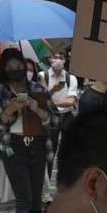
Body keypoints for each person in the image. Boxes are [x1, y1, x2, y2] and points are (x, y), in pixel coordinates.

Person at [0, 48, 55, 213]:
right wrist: (10, 110)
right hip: (14, 147)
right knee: (24, 199)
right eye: (10, 68)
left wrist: (37, 109)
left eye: (19, 66)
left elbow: (56, 120)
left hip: (38, 145)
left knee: (36, 200)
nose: (16, 70)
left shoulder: (37, 89)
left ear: (26, 66)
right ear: (4, 70)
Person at [41, 51, 78, 179]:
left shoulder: (70, 78)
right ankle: (45, 189)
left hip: (67, 116)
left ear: (65, 60)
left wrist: (51, 101)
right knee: (49, 152)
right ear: (50, 60)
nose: (58, 61)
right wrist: (53, 91)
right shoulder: (42, 76)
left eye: (61, 58)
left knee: (69, 150)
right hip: (51, 116)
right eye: (55, 58)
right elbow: (40, 99)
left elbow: (71, 101)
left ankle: (66, 182)